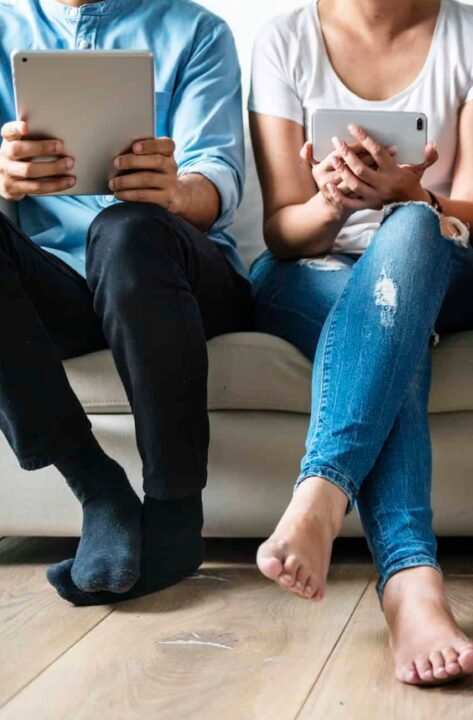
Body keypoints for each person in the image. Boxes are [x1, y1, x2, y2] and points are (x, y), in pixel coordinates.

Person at [247, 0, 473, 686]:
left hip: (434, 259)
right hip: (314, 271)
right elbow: (282, 229)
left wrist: (413, 194)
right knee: (392, 332)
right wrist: (332, 204)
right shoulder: (285, 39)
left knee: (412, 232)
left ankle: (322, 492)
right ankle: (412, 588)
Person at [0, 0, 250, 605]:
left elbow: (218, 171)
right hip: (62, 285)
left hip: (173, 273)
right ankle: (97, 486)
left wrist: (177, 190)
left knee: (126, 227)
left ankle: (173, 511)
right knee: (111, 233)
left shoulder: (196, 31)